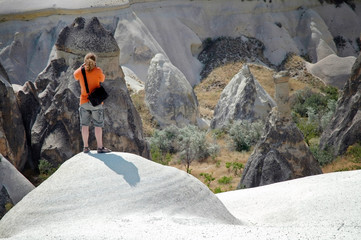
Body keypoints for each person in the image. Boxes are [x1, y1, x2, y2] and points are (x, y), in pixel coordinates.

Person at [74, 52, 111, 153]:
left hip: (84, 102)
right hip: (96, 103)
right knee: (98, 125)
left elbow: (75, 76)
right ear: (95, 62)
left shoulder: (80, 71)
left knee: (84, 125)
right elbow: (102, 79)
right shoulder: (98, 70)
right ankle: (100, 147)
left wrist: (82, 66)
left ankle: (85, 147)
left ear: (85, 61)